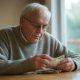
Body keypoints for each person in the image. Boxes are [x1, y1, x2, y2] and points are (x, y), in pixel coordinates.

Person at [0, 3, 80, 75]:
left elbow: (77, 57)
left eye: (45, 26)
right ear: (22, 21)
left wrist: (73, 64)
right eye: (36, 25)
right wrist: (28, 64)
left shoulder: (49, 40)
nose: (40, 31)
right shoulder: (4, 35)